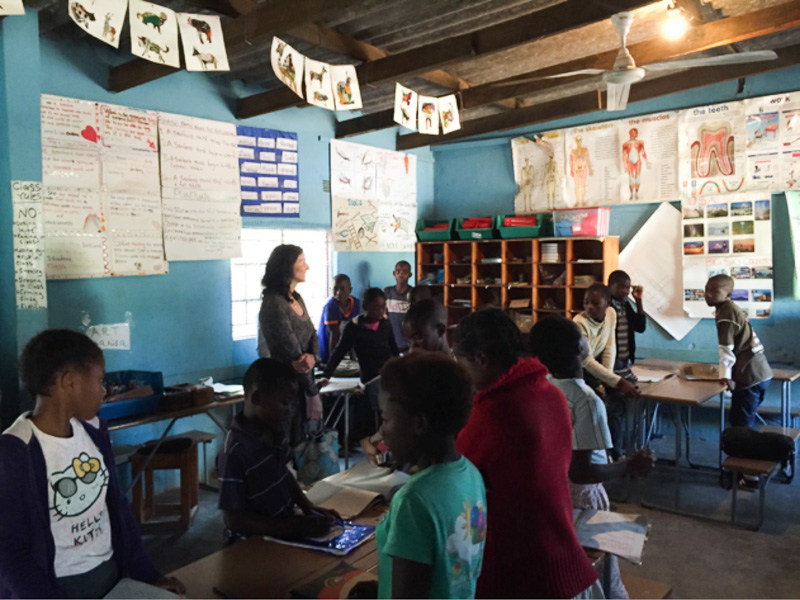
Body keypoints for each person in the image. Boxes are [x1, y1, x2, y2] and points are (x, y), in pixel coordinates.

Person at [0, 329, 185, 599]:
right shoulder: (16, 451)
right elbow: (10, 551)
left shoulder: (93, 432)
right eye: (99, 380)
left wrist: (148, 576)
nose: (103, 390)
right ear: (69, 382)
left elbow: (117, 509)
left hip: (111, 580)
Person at [454, 310, 601, 599]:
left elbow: (453, 474)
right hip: (561, 547)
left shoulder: (495, 411)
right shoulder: (550, 393)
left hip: (520, 566)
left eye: (462, 363)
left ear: (481, 358)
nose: (464, 375)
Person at [531, 316, 656, 600]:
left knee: (572, 572)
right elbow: (582, 472)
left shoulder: (543, 387)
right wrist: (628, 465)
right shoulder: (586, 400)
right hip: (583, 497)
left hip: (553, 492)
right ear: (580, 347)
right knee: (601, 576)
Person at [354, 353, 486, 599]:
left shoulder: (413, 501)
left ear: (419, 423)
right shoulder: (471, 475)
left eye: (386, 419)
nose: (382, 431)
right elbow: (450, 574)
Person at [217, 358, 339, 545]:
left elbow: (283, 474)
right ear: (257, 399)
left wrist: (309, 508)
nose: (289, 411)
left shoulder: (273, 431)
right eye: (284, 403)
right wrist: (293, 527)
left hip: (283, 528)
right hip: (250, 543)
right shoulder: (234, 453)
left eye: (291, 404)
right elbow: (234, 520)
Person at [360, 299, 451, 466]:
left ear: (440, 331)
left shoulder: (453, 373)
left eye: (419, 338)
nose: (412, 348)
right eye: (409, 341)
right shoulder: (417, 368)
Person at [259, 245, 323, 435]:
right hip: (284, 388)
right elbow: (294, 354)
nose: (307, 267)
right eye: (301, 262)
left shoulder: (297, 298)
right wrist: (312, 392)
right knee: (289, 443)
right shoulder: (274, 303)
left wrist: (313, 356)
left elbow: (313, 334)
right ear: (286, 267)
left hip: (303, 385)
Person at [323, 288, 399, 441]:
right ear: (365, 307)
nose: (381, 311)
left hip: (388, 376)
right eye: (376, 307)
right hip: (370, 378)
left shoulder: (385, 324)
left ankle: (385, 443)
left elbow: (394, 348)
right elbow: (339, 351)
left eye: (383, 307)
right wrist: (326, 375)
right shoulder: (354, 327)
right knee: (374, 414)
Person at [574, 283, 639, 458]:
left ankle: (615, 453)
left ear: (608, 303)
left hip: (598, 367)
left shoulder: (611, 314)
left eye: (595, 303)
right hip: (579, 369)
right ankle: (600, 453)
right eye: (586, 302)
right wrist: (615, 381)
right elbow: (585, 360)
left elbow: (610, 347)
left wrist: (608, 379)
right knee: (599, 404)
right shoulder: (579, 323)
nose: (590, 307)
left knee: (617, 401)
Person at [705, 274, 773, 429]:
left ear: (728, 294)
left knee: (741, 428)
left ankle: (746, 446)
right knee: (740, 422)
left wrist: (725, 376)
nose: (708, 294)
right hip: (759, 373)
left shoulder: (726, 313)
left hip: (751, 376)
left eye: (714, 291)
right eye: (706, 289)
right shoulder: (728, 308)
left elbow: (726, 348)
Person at [608, 271, 646, 374]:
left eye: (628, 288)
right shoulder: (606, 305)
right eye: (621, 287)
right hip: (609, 360)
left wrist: (638, 301)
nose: (625, 291)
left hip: (625, 359)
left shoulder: (625, 304)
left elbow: (640, 327)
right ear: (610, 286)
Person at [317, 274, 362, 364]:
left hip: (343, 347)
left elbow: (355, 332)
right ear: (330, 290)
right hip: (327, 348)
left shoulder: (356, 303)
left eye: (342, 289)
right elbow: (333, 335)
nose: (338, 292)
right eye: (335, 289)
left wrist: (355, 357)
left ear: (350, 290)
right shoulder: (331, 306)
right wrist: (333, 362)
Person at [384, 261, 414, 353]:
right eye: (398, 271)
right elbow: (384, 315)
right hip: (390, 342)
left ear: (410, 275)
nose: (401, 274)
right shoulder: (388, 292)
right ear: (394, 273)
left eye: (405, 272)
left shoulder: (413, 293)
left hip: (408, 344)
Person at [621, 128, 648, 201]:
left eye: (634, 133)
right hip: (629, 161)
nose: (632, 134)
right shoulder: (625, 144)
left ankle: (636, 193)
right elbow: (624, 155)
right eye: (631, 133)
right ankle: (631, 194)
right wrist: (625, 165)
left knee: (637, 177)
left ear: (636, 134)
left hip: (638, 161)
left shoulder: (640, 142)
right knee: (631, 177)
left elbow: (643, 152)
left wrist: (646, 162)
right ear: (629, 133)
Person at [569, 135, 593, 207]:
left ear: (581, 141)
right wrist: (571, 171)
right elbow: (571, 163)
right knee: (577, 186)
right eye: (577, 140)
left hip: (583, 169)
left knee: (583, 186)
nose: (578, 142)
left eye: (579, 140)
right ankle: (577, 201)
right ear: (576, 141)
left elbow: (588, 160)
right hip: (576, 170)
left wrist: (590, 169)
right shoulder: (573, 151)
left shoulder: (585, 150)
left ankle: (582, 201)